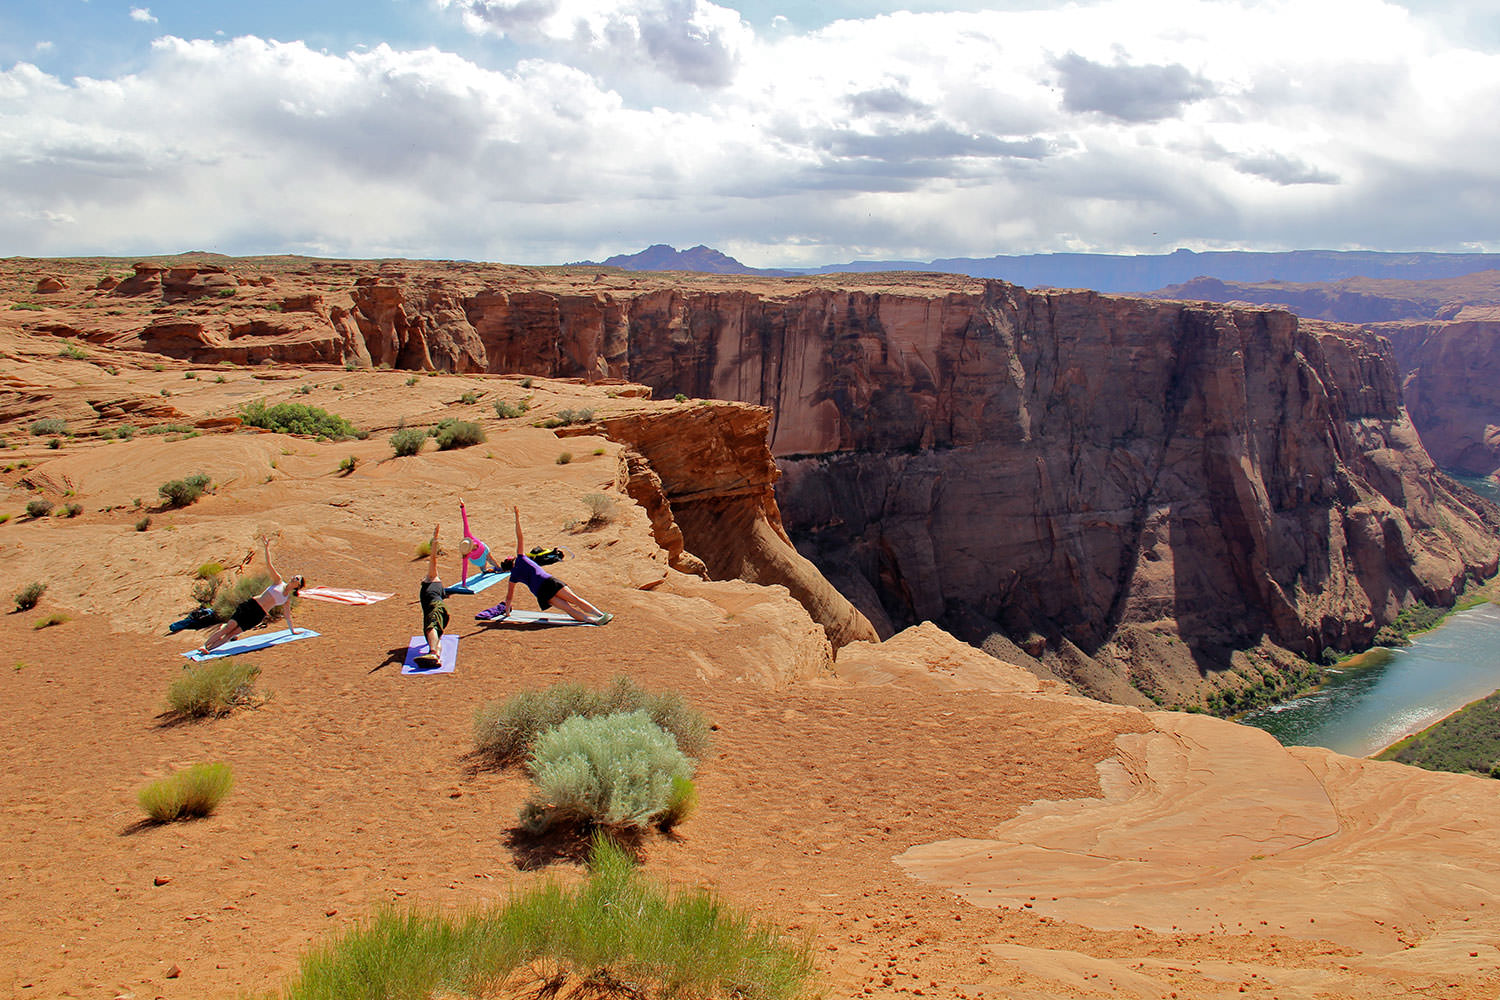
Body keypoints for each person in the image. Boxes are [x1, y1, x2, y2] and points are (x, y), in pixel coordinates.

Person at [480, 505, 612, 625]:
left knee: (568, 608)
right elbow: (520, 537)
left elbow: (509, 597)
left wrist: (507, 613)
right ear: (512, 560)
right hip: (549, 582)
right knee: (575, 599)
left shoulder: (513, 576)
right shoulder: (520, 558)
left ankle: (590, 621)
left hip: (540, 592)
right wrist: (517, 517)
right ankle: (600, 615)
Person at [195, 537, 305, 653]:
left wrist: (293, 631)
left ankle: (209, 650)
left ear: (298, 585)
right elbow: (269, 565)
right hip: (251, 606)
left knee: (231, 635)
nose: (294, 577)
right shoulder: (278, 581)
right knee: (228, 628)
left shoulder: (286, 598)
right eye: (294, 576)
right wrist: (266, 548)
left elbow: (287, 616)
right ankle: (205, 645)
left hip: (258, 615)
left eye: (297, 578)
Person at [416, 523, 448, 668]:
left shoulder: (432, 577)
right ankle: (437, 657)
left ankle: (433, 653)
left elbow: (433, 560)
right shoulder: (437, 586)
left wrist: (434, 539)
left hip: (435, 609)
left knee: (431, 629)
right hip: (436, 609)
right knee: (434, 633)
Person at [458, 498, 506, 585]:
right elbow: (464, 569)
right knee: (485, 563)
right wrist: (464, 584)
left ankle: (497, 568)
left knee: (489, 560)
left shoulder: (467, 536)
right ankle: (490, 569)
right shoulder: (466, 554)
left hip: (482, 553)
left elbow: (465, 521)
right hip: (478, 559)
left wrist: (462, 507)